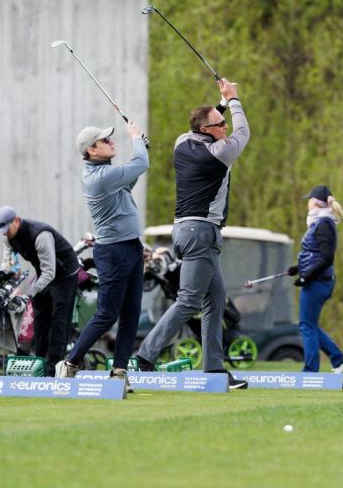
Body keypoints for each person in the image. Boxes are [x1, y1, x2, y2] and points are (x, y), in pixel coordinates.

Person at [136, 78, 250, 389]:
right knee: (188, 300)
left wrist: (221, 102)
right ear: (205, 131)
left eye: (223, 121)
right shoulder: (219, 152)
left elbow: (211, 118)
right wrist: (235, 100)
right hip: (201, 232)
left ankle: (214, 369)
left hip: (187, 231)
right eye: (218, 124)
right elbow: (244, 132)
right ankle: (146, 355)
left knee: (216, 299)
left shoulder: (181, 142)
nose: (224, 126)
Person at [55, 121, 148, 392]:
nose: (111, 142)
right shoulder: (98, 177)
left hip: (131, 247)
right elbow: (140, 165)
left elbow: (129, 182)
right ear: (92, 150)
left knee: (131, 312)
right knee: (108, 313)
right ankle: (70, 363)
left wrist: (141, 147)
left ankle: (119, 372)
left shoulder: (106, 172)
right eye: (105, 141)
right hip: (114, 251)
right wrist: (137, 140)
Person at [0, 206, 80, 377]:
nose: (4, 234)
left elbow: (50, 272)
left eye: (6, 229)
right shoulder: (7, 238)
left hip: (65, 275)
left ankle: (54, 369)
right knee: (40, 322)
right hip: (44, 275)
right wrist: (8, 285)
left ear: (16, 220)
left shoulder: (40, 235)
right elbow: (9, 265)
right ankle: (40, 364)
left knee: (58, 322)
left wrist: (28, 294)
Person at [287, 185, 343, 374]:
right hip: (318, 280)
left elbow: (326, 257)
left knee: (306, 326)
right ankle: (339, 361)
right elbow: (314, 253)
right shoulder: (320, 222)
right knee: (310, 325)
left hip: (317, 281)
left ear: (316, 202)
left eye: (309, 199)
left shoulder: (324, 223)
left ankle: (310, 370)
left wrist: (305, 277)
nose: (307, 202)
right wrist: (298, 268)